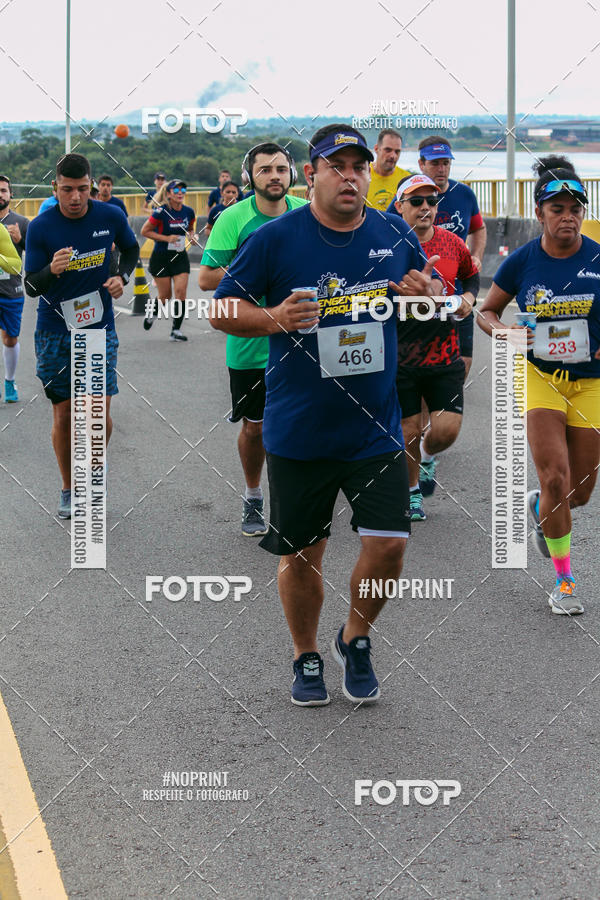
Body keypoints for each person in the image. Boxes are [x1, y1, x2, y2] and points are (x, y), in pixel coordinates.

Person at [210, 124, 440, 706]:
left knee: (388, 545)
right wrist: (273, 320)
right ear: (309, 175)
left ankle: (355, 636)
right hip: (301, 430)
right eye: (335, 166)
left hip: (375, 427)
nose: (350, 176)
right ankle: (306, 653)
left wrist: (427, 296)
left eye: (358, 166)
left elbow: (428, 289)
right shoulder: (276, 238)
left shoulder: (392, 230)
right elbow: (219, 307)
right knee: (303, 554)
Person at [478, 156, 600, 616]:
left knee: (580, 491)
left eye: (574, 208)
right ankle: (565, 581)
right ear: (539, 213)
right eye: (556, 209)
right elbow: (487, 311)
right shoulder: (522, 262)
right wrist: (505, 333)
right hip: (540, 376)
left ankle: (539, 508)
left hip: (591, 384)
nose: (567, 216)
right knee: (555, 476)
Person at [199, 143, 306, 536]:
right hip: (251, 341)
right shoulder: (234, 218)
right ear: (250, 177)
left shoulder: (306, 211)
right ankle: (253, 494)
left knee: (306, 422)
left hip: (303, 339)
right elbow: (208, 279)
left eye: (281, 168)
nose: (274, 176)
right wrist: (261, 271)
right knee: (256, 428)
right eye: (265, 170)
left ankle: (300, 497)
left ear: (291, 173)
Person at [24, 153, 139, 518]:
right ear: (54, 187)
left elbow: (132, 249)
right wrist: (50, 271)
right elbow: (29, 285)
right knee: (64, 415)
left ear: (92, 186)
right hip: (55, 331)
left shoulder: (111, 216)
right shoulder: (41, 227)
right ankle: (68, 488)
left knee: (97, 415)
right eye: (68, 190)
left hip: (99, 329)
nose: (76, 198)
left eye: (83, 189)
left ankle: (91, 471)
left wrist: (121, 275)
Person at [393, 174, 479, 519]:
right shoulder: (387, 246)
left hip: (444, 353)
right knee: (408, 429)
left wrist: (468, 298)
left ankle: (429, 457)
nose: (426, 208)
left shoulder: (452, 243)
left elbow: (471, 274)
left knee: (445, 431)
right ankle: (412, 491)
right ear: (400, 207)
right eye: (416, 202)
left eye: (432, 201)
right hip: (400, 356)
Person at [387, 136, 486, 378]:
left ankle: (448, 401)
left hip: (457, 294)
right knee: (419, 376)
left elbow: (479, 228)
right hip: (417, 303)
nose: (441, 169)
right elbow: (385, 232)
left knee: (461, 364)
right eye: (435, 163)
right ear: (421, 164)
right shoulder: (404, 199)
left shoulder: (464, 194)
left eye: (446, 163)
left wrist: (476, 255)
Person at [141, 179, 196, 341]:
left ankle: (176, 330)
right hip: (161, 258)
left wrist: (192, 237)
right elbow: (145, 231)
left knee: (181, 293)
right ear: (169, 193)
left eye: (183, 190)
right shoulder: (160, 212)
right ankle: (152, 313)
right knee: (165, 296)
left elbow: (191, 228)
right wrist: (166, 238)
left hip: (179, 256)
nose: (181, 193)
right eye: (176, 190)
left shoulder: (188, 212)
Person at [0, 175, 29, 402]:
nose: (0, 194)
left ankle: (9, 381)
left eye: (3, 190)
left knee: (10, 339)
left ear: (10, 195)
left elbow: (37, 252)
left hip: (11, 290)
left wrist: (20, 240)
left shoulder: (21, 222)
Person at [365, 128, 411, 212]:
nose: (393, 156)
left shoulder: (407, 180)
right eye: (388, 150)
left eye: (397, 151)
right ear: (376, 149)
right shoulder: (362, 175)